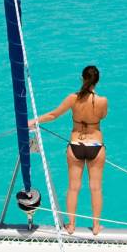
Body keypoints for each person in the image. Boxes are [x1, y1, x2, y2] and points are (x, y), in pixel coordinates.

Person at [29, 66, 108, 235]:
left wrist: (34, 121)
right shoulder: (102, 101)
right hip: (95, 145)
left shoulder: (73, 99)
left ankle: (71, 225)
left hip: (76, 145)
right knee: (96, 188)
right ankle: (95, 227)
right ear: (97, 81)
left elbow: (53, 115)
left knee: (73, 187)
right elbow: (102, 116)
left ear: (82, 79)